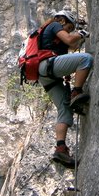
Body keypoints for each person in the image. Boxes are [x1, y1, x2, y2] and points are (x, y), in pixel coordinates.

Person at [38, 10, 93, 168]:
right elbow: (70, 40)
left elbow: (74, 44)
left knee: (64, 108)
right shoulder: (55, 25)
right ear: (62, 20)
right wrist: (82, 32)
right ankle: (76, 92)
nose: (68, 30)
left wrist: (80, 36)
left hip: (45, 75)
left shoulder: (48, 35)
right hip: (49, 65)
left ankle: (60, 148)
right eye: (68, 27)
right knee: (86, 59)